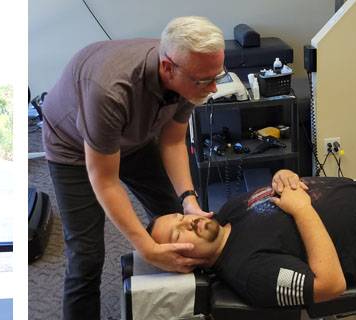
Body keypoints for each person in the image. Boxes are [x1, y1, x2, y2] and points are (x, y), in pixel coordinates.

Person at [40, 16, 225, 319]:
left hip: (136, 138)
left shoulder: (192, 74)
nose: (214, 87)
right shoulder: (111, 89)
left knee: (174, 218)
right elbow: (105, 179)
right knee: (86, 254)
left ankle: (181, 306)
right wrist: (146, 247)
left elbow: (173, 142)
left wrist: (188, 201)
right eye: (206, 80)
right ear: (168, 68)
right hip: (72, 148)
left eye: (217, 75)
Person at [147, 169, 356, 307]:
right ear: (184, 261)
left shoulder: (229, 211)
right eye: (179, 233)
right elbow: (331, 285)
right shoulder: (250, 273)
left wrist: (285, 176)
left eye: (180, 216)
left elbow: (283, 192)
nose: (189, 220)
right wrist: (303, 210)